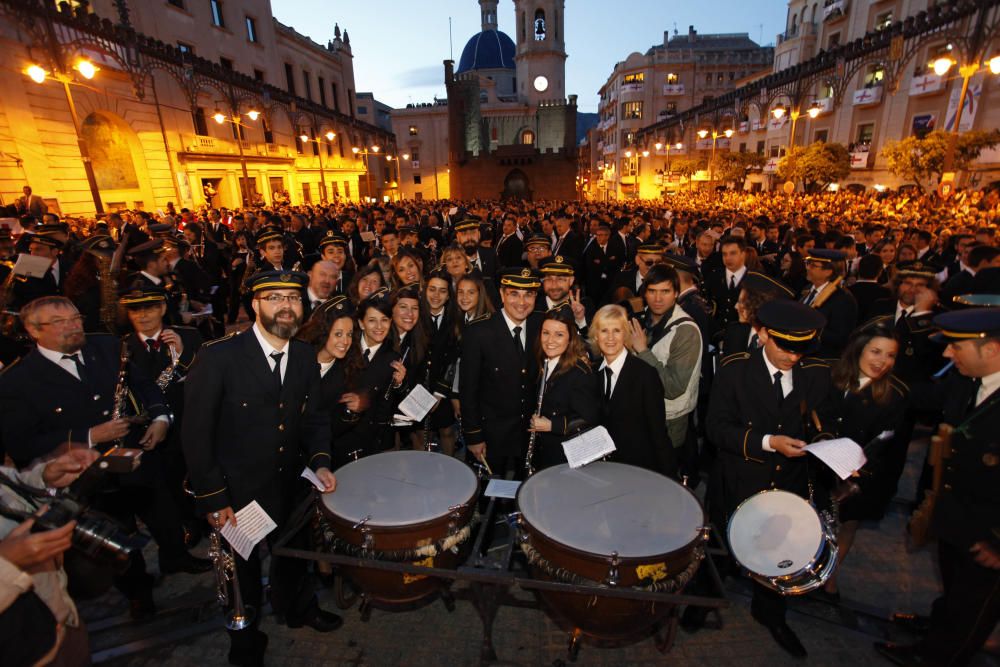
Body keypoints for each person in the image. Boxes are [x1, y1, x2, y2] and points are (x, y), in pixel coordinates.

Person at [182, 270, 340, 667]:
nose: (286, 306)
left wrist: (320, 461)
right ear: (254, 304)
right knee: (240, 571)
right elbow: (196, 436)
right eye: (274, 297)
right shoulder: (218, 357)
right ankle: (246, 637)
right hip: (238, 492)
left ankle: (298, 608)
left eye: (293, 297)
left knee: (295, 555)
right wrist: (213, 498)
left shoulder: (304, 355)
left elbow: (315, 418)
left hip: (292, 483)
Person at [0, 295, 171, 618]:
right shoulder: (16, 381)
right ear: (34, 331)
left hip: (138, 461)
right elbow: (22, 445)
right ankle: (138, 593)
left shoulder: (106, 346)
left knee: (164, 517)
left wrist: (161, 418)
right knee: (116, 540)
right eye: (60, 322)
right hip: (88, 481)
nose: (74, 326)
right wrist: (91, 436)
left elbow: (143, 384)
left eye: (76, 318)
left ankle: (176, 558)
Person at [875, 308, 1000, 667]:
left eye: (955, 347)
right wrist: (871, 377)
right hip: (955, 518)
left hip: (988, 538)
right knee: (954, 593)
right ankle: (933, 635)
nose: (947, 354)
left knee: (971, 614)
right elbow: (924, 398)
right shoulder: (967, 380)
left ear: (990, 349)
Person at [706, 299, 830, 658]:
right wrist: (767, 443)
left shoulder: (815, 374)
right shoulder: (733, 370)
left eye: (800, 349)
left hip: (785, 486)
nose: (793, 357)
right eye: (785, 347)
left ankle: (772, 614)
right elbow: (715, 428)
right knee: (716, 548)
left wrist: (825, 446)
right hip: (737, 479)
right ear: (762, 335)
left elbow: (824, 422)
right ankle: (703, 603)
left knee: (777, 553)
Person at [814, 319, 907, 602]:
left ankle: (829, 578)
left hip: (857, 476)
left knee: (846, 525)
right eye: (875, 352)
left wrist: (858, 479)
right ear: (858, 350)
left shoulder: (895, 396)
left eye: (890, 355)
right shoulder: (829, 374)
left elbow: (890, 448)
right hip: (817, 465)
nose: (882, 362)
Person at [0, 448, 101, 667]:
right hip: (26, 651)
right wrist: (7, 564)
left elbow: (8, 488)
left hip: (60, 619)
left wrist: (45, 478)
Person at [460, 268, 542, 476]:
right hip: (491, 434)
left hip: (529, 431)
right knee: (490, 494)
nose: (521, 302)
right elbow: (468, 390)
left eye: (528, 295)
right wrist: (473, 436)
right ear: (502, 294)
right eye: (514, 294)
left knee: (526, 489)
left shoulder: (541, 326)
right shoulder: (478, 332)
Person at [625, 264, 701, 474]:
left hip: (668, 422)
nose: (658, 299)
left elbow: (674, 387)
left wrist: (642, 351)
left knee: (662, 480)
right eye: (652, 291)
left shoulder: (686, 331)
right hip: (638, 415)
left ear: (676, 293)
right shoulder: (641, 318)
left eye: (665, 291)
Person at [590, 304, 673, 474]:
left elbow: (657, 432)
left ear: (626, 335)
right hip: (602, 469)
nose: (610, 337)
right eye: (604, 331)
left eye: (617, 331)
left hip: (637, 469)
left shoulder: (646, 374)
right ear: (596, 336)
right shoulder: (592, 373)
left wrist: (669, 478)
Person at [526, 303, 601, 471]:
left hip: (567, 457)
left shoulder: (580, 373)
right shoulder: (542, 363)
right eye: (546, 333)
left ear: (570, 339)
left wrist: (553, 425)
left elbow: (590, 418)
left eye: (559, 335)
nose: (550, 341)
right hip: (545, 450)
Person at [800, 248, 858, 359]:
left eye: (813, 266)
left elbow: (840, 337)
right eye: (808, 263)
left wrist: (807, 327)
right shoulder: (807, 289)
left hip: (822, 360)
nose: (807, 268)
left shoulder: (842, 299)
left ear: (829, 271)